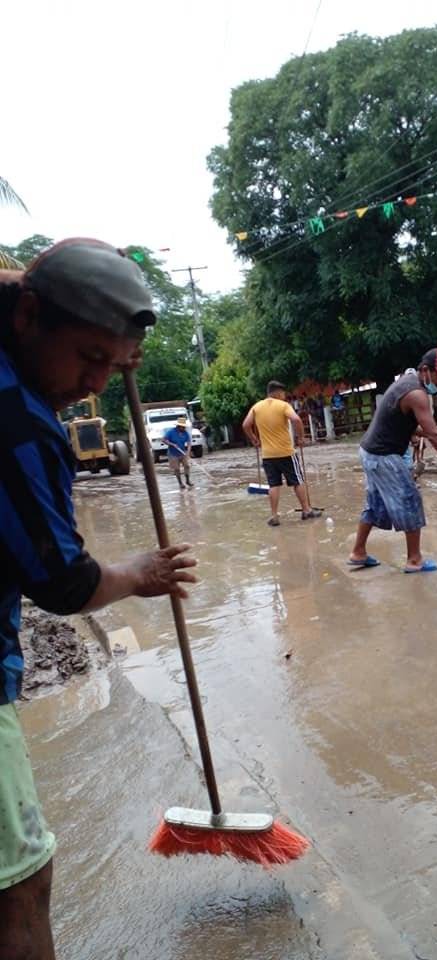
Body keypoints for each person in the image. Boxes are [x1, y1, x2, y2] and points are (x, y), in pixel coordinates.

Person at [0, 239, 197, 960]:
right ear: (28, 317)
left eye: (112, 369)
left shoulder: (18, 336)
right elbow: (65, 585)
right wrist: (139, 575)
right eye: (88, 358)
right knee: (18, 886)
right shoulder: (17, 422)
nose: (94, 385)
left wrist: (104, 338)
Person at [348, 348, 437, 572]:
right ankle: (414, 560)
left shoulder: (408, 383)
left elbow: (404, 422)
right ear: (425, 370)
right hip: (384, 455)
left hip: (370, 452)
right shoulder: (417, 393)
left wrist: (426, 429)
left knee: (375, 504)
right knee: (410, 499)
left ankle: (358, 552)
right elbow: (433, 436)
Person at [243, 380, 322, 526]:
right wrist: (301, 438)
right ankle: (306, 510)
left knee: (274, 485)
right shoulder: (283, 405)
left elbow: (246, 425)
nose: (284, 396)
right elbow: (296, 419)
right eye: (284, 393)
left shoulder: (256, 407)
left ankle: (274, 516)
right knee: (297, 481)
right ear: (278, 392)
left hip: (268, 455)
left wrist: (255, 439)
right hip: (286, 452)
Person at [162, 415, 193, 489]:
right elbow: (164, 440)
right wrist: (172, 444)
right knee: (176, 469)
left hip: (182, 452)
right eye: (183, 427)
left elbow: (189, 442)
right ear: (179, 426)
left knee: (187, 466)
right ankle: (180, 483)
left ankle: (187, 481)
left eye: (184, 427)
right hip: (173, 454)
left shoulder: (185, 433)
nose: (184, 428)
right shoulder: (171, 432)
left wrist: (188, 451)